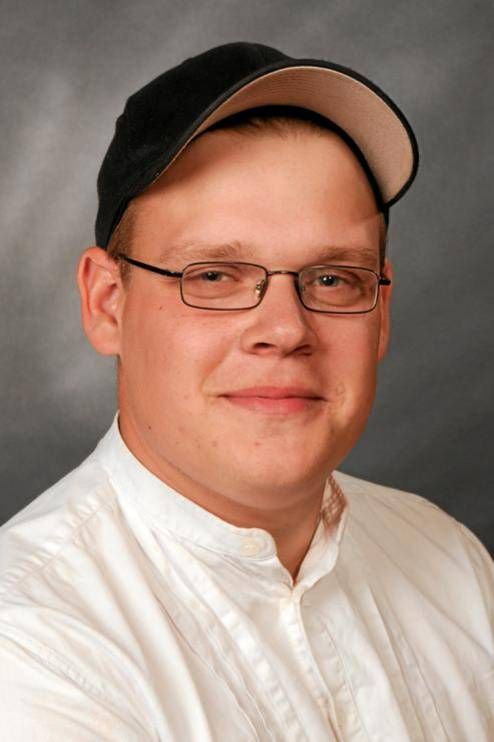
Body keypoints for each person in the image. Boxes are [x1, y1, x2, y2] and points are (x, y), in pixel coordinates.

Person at [0, 41, 492, 741]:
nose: (285, 330)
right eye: (213, 276)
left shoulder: (452, 563)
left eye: (332, 278)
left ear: (380, 314)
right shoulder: (30, 648)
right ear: (108, 303)